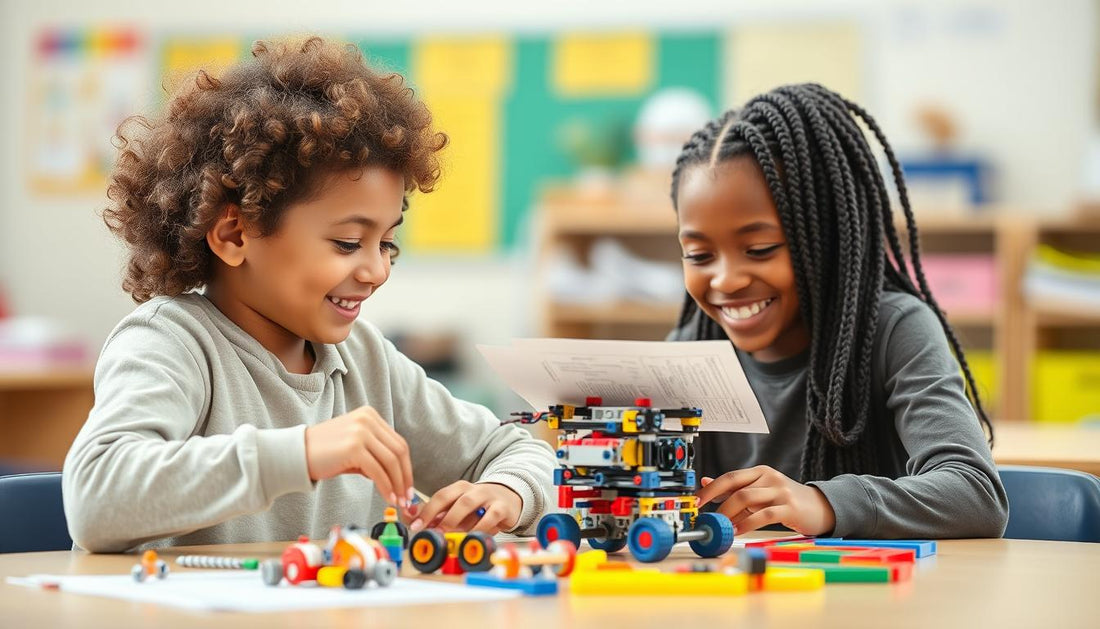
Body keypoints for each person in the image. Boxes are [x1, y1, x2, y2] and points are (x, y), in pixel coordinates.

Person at [63, 37, 555, 553]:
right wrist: (301, 453)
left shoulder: (364, 360)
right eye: (348, 243)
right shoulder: (171, 342)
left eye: (387, 243)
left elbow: (515, 450)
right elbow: (96, 498)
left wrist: (508, 491)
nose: (377, 271)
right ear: (234, 234)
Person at [667, 83, 1008, 539]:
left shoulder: (893, 329)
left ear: (828, 236)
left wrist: (823, 502)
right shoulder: (687, 351)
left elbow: (976, 494)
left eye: (760, 248)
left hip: (873, 584)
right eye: (699, 255)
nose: (726, 280)